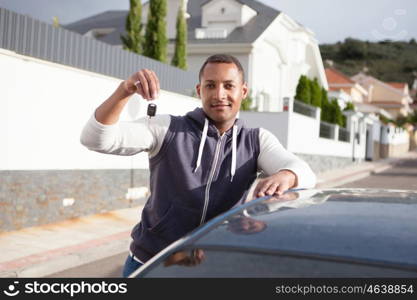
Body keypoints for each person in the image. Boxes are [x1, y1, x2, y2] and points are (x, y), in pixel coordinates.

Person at [80, 54, 316, 277]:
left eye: (228, 85)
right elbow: (95, 139)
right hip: (152, 263)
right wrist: (124, 91)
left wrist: (288, 174)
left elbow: (304, 172)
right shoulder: (168, 129)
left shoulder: (256, 140)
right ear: (199, 90)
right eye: (210, 85)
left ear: (243, 91)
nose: (219, 94)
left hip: (215, 268)